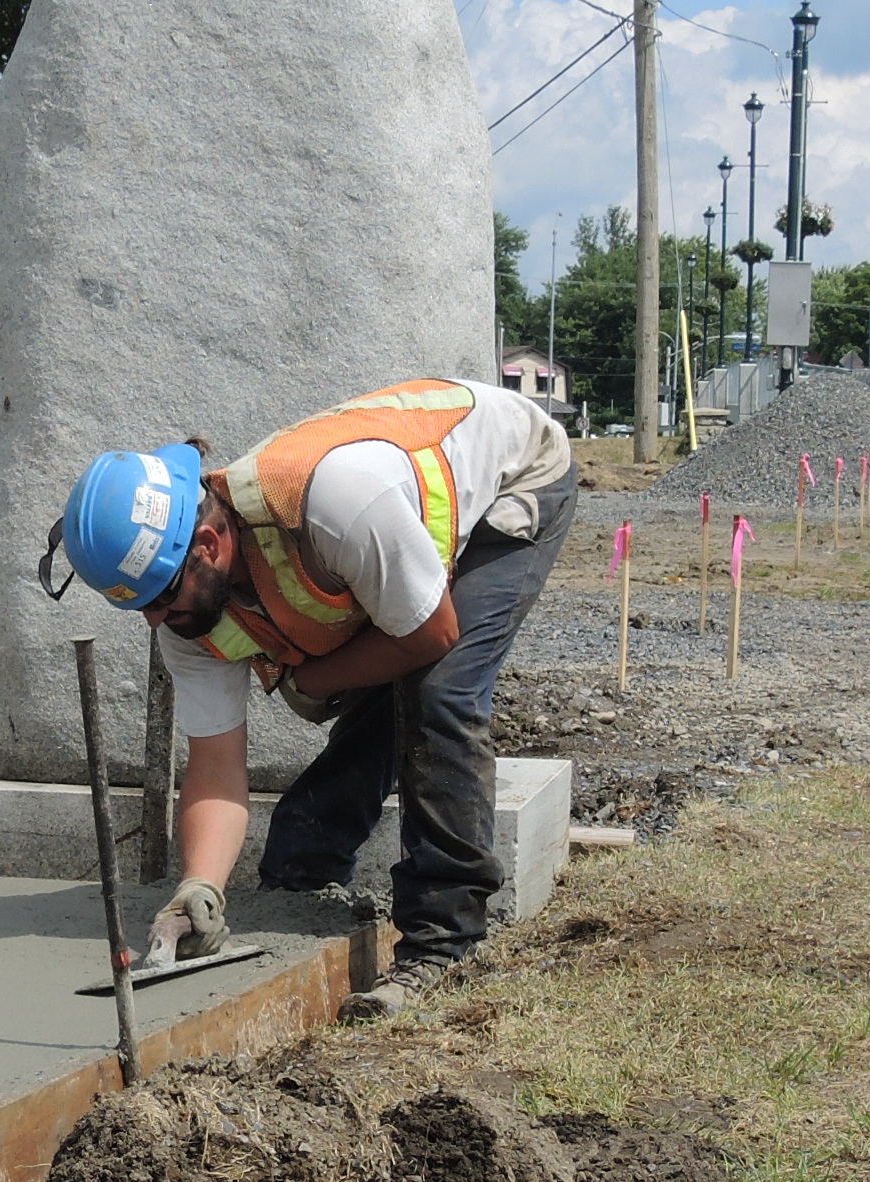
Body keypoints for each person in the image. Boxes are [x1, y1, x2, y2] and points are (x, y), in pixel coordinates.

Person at [46, 377, 576, 1013]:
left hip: (515, 480)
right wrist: (199, 886)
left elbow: (433, 633)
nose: (155, 622)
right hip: (389, 546)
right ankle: (304, 872)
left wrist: (317, 679)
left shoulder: (334, 503)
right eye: (139, 607)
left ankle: (444, 944)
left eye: (160, 597)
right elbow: (216, 766)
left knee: (438, 692)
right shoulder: (189, 619)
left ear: (209, 547)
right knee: (385, 680)